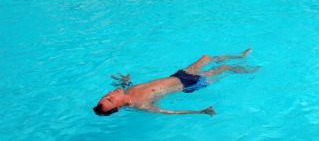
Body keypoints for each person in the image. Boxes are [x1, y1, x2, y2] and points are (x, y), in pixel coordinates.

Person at [93, 48, 257, 116]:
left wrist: (126, 81)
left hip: (179, 75)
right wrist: (200, 112)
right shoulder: (141, 105)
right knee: (224, 68)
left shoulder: (125, 92)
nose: (110, 94)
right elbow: (170, 112)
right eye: (110, 99)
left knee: (206, 57)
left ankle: (241, 56)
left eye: (106, 95)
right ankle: (250, 70)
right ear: (119, 106)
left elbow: (124, 88)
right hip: (189, 84)